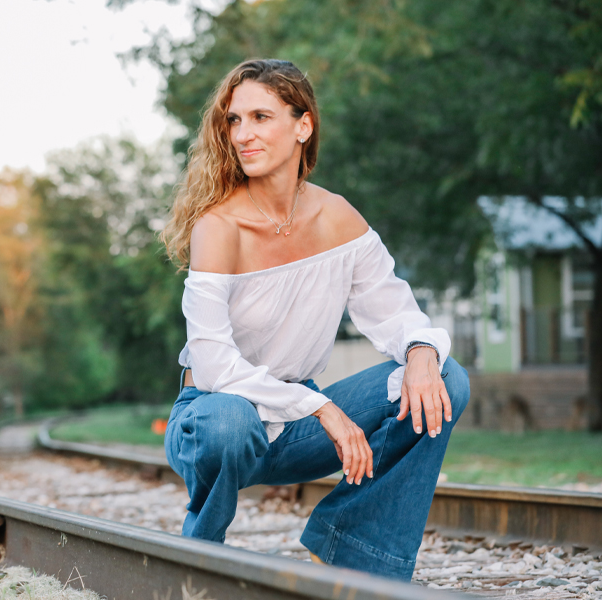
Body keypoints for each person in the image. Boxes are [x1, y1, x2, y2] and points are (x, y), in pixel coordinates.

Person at [159, 58, 470, 582]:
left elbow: (397, 312)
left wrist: (420, 353)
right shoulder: (219, 227)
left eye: (260, 117)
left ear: (303, 126)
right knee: (232, 420)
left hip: (297, 426)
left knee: (446, 380)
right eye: (234, 121)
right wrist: (320, 405)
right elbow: (213, 365)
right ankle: (202, 557)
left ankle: (352, 553)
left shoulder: (338, 219)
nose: (242, 134)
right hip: (214, 421)